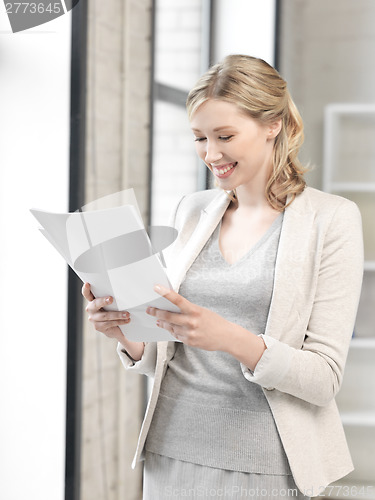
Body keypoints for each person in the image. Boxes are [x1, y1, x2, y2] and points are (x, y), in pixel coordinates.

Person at [82, 55, 364, 499]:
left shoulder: (332, 220)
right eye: (199, 138)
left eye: (225, 136)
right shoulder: (194, 210)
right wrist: (127, 333)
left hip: (268, 462)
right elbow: (170, 349)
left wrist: (228, 337)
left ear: (273, 125)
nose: (211, 154)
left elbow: (324, 377)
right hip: (171, 452)